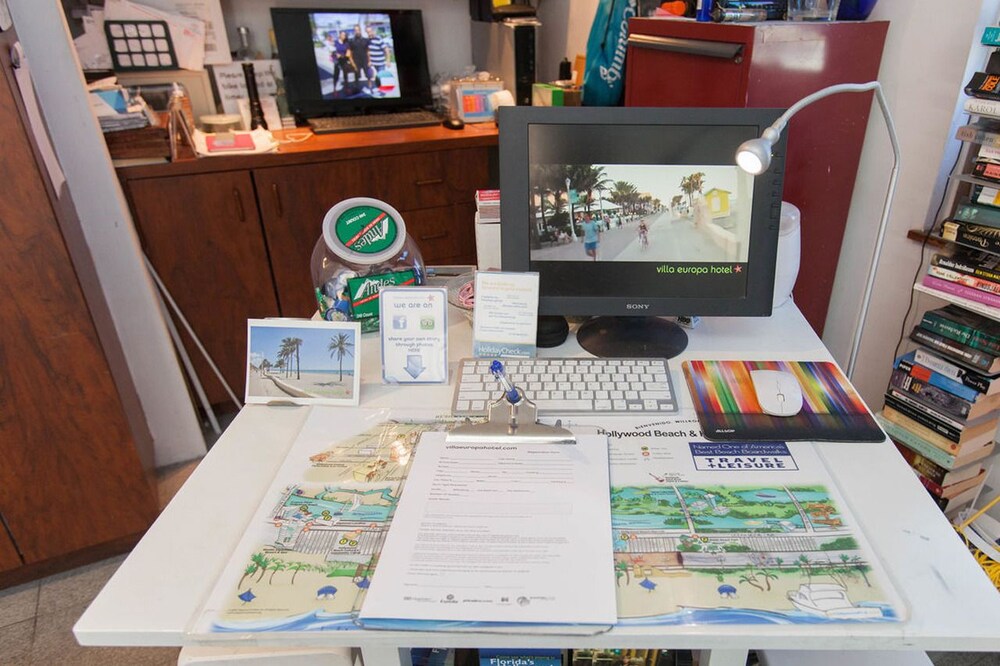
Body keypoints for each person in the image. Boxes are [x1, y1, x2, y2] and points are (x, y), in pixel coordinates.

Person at [348, 24, 373, 93]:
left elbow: (368, 51)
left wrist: (369, 61)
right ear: (354, 31)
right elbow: (350, 53)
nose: (357, 31)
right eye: (356, 30)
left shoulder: (366, 40)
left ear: (360, 31)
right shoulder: (351, 41)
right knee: (356, 76)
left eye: (358, 30)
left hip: (365, 60)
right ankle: (356, 88)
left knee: (368, 75)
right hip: (356, 61)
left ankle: (370, 88)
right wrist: (352, 63)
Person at [365, 25, 388, 92]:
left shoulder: (379, 39)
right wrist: (369, 61)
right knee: (372, 76)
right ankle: (375, 88)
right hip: (373, 63)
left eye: (370, 31)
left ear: (373, 31)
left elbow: (386, 50)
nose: (369, 33)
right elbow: (368, 52)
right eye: (368, 32)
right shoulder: (368, 40)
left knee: (381, 76)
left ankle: (382, 90)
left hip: (381, 62)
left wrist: (388, 60)